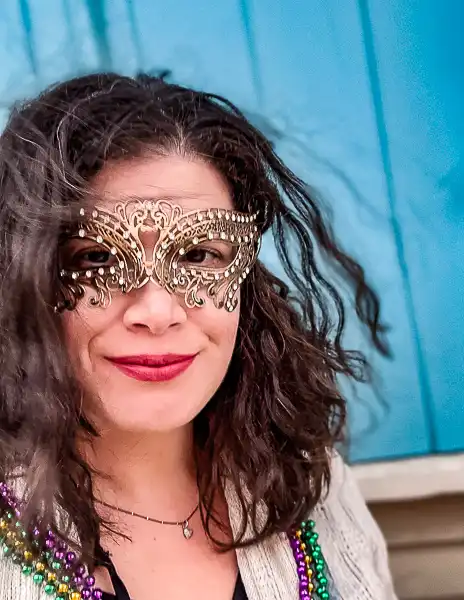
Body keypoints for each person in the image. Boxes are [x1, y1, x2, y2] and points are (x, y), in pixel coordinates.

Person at [0, 73, 397, 600]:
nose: (158, 312)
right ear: (23, 280)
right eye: (96, 258)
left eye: (198, 255)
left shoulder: (309, 487)